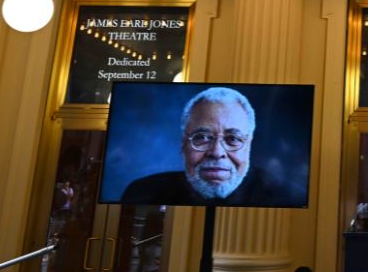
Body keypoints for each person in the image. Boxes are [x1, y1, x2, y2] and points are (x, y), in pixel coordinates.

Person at [120, 87, 300, 206]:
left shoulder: (287, 198)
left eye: (233, 139)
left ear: (249, 146)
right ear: (183, 143)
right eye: (203, 137)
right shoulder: (142, 194)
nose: (217, 153)